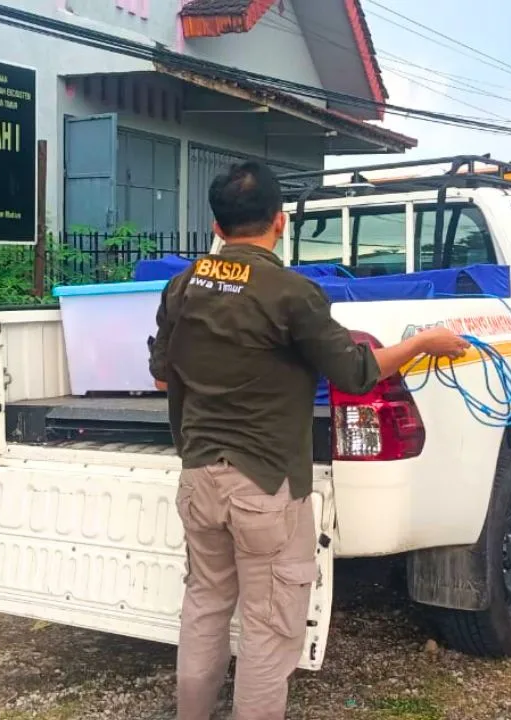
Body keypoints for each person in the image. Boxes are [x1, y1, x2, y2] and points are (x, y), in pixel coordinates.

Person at [148, 161, 470, 719]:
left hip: (199, 477)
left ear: (217, 226)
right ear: (280, 220)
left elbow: (161, 376)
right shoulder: (292, 293)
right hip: (265, 485)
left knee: (204, 607)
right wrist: (423, 344)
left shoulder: (183, 286)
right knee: (269, 629)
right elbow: (356, 373)